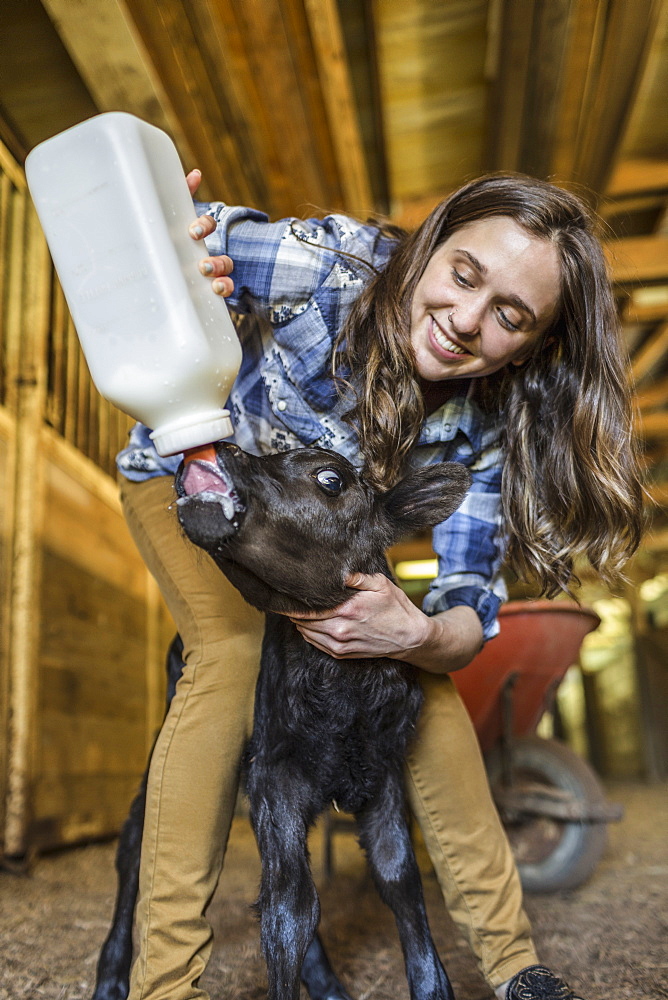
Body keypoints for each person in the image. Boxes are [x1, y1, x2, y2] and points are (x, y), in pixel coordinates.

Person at [117, 171, 644, 1000]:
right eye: (464, 275)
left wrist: (421, 638)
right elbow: (171, 233)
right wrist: (178, 250)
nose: (468, 320)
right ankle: (163, 988)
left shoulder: (483, 426)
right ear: (430, 243)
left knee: (416, 685)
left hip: (315, 537)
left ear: (536, 346)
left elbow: (467, 599)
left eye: (511, 316)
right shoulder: (327, 268)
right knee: (233, 652)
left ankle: (514, 970)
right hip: (195, 483)